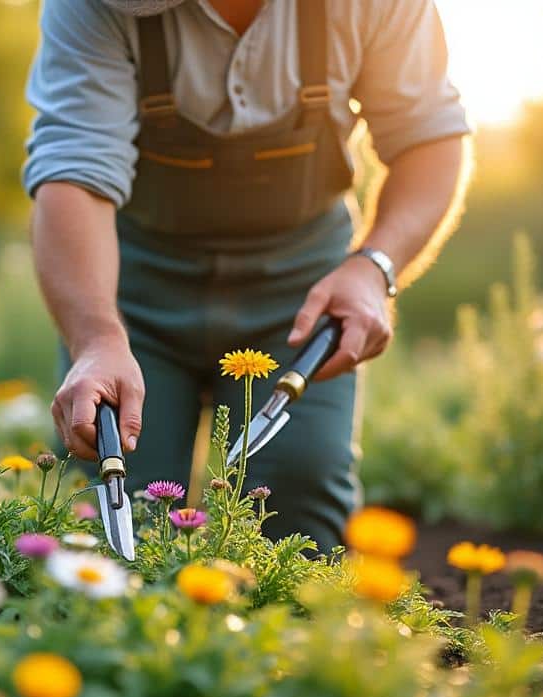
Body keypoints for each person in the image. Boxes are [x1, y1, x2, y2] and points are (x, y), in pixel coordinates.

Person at [24, 0, 470, 551]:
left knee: (296, 521)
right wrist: (94, 337)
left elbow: (429, 139)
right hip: (131, 299)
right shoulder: (94, 7)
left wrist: (374, 266)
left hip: (300, 299)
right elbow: (74, 171)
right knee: (111, 530)